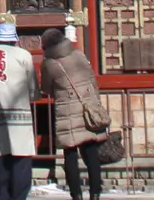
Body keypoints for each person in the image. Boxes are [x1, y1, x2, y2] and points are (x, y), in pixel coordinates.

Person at [41, 27, 109, 200]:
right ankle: (95, 193)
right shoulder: (79, 55)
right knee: (91, 152)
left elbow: (47, 88)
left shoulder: (49, 63)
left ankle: (76, 195)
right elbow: (92, 79)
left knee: (70, 155)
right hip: (87, 110)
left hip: (67, 113)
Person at [0, 22, 38, 200]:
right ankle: (19, 196)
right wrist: (34, 96)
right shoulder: (24, 55)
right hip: (19, 111)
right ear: (14, 39)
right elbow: (32, 85)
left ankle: (1, 195)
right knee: (21, 155)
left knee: (1, 153)